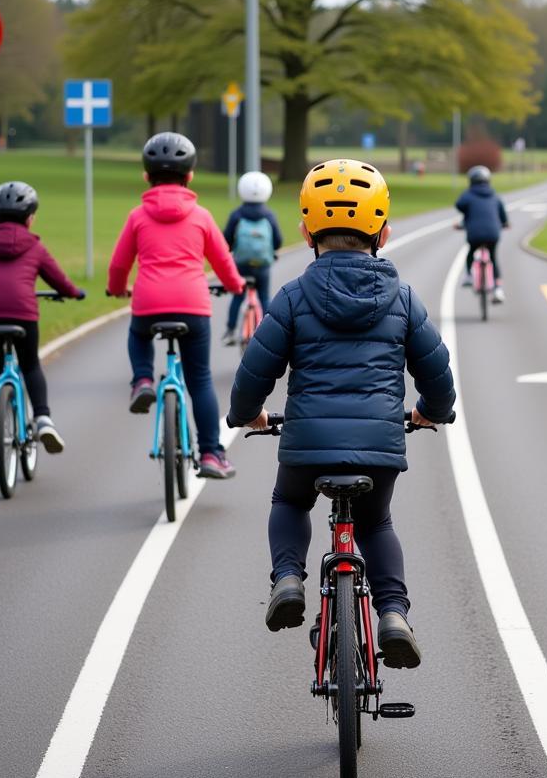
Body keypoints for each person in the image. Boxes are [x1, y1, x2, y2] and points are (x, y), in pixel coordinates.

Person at [227, 158, 456, 668]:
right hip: (379, 447)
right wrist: (429, 411)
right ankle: (393, 614)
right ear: (384, 231)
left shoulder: (291, 297)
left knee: (288, 502)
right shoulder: (402, 299)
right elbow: (437, 372)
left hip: (306, 445)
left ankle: (288, 579)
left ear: (307, 230)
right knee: (377, 523)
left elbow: (254, 371)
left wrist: (247, 414)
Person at [107, 132, 245, 480]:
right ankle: (212, 453)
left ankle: (141, 380)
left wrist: (117, 289)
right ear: (191, 175)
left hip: (149, 301)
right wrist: (235, 286)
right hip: (192, 305)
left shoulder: (138, 216)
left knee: (138, 334)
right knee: (199, 380)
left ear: (146, 176)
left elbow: (119, 264)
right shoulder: (200, 215)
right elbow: (223, 260)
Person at [0, 182, 85, 452]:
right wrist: (73, 293)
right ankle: (43, 419)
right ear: (30, 217)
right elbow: (58, 279)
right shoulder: (35, 247)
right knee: (30, 365)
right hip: (23, 314)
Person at [221, 171, 282, 345]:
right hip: (262, 266)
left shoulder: (237, 214)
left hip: (241, 265)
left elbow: (227, 239)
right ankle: (269, 332)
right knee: (264, 297)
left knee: (238, 296)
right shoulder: (269, 215)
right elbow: (277, 241)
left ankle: (231, 331)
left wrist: (233, 249)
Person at [455, 164, 509, 303]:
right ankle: (497, 289)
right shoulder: (495, 196)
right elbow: (503, 216)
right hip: (493, 234)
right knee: (493, 259)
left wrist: (467, 216)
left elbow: (459, 205)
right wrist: (505, 223)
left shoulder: (468, 195)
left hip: (474, 234)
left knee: (471, 252)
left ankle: (468, 276)